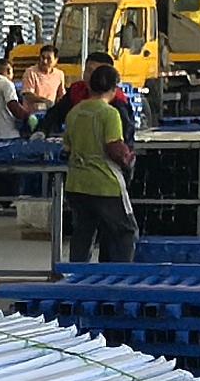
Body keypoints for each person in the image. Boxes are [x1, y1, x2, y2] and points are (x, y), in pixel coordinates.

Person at [60, 54, 141, 265]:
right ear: (113, 88)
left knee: (83, 233)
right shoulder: (109, 113)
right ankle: (120, 276)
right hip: (104, 184)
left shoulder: (74, 112)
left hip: (76, 183)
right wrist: (128, 159)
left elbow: (67, 147)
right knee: (125, 231)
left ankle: (77, 276)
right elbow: (114, 147)